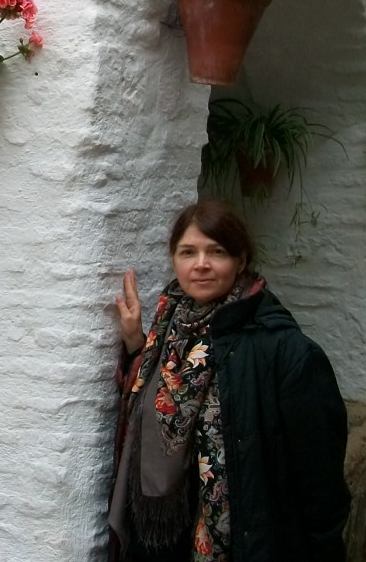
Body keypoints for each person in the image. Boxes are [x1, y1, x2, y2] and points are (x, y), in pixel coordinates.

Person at [108, 200, 350, 562]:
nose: (201, 263)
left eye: (216, 251)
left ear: (241, 260)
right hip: (161, 544)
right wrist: (136, 346)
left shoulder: (285, 350)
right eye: (188, 252)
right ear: (174, 260)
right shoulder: (167, 334)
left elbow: (321, 484)